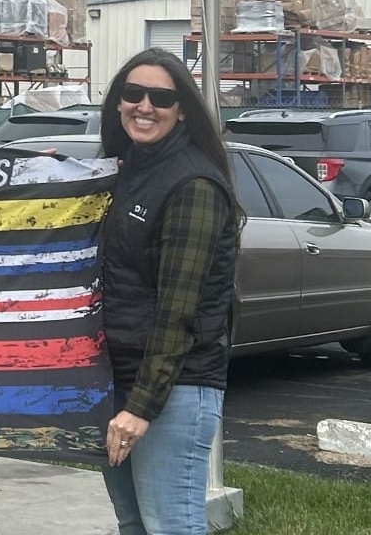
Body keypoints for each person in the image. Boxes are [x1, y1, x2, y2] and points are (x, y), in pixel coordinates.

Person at [95, 48, 241, 535]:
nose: (144, 106)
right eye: (133, 94)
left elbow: (179, 309)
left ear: (182, 109)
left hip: (172, 389)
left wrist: (141, 407)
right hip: (118, 380)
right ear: (117, 102)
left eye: (160, 97)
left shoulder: (193, 185)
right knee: (135, 524)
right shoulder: (124, 171)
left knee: (171, 525)